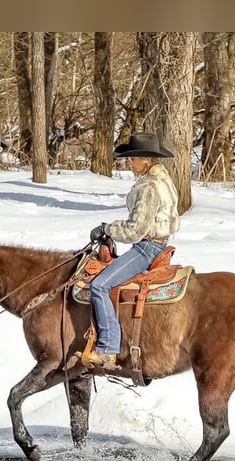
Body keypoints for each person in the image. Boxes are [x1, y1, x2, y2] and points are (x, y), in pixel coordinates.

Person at [82, 132, 180, 369]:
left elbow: (135, 230)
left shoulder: (149, 187)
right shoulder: (163, 179)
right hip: (157, 243)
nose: (129, 162)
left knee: (99, 286)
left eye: (133, 158)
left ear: (146, 160)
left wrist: (108, 228)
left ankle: (107, 349)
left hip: (147, 247)